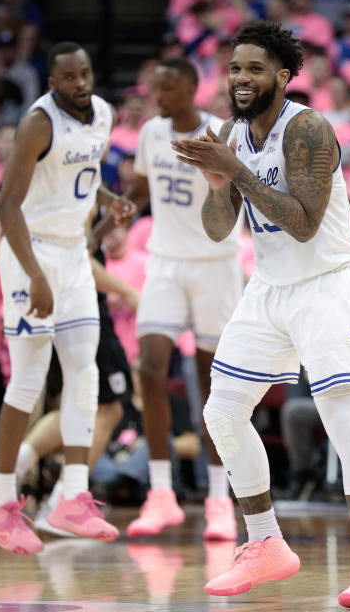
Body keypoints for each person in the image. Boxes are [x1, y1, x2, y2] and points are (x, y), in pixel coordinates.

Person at [171, 21, 350, 610]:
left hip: (326, 285)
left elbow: (303, 223)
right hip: (268, 287)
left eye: (253, 68)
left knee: (343, 423)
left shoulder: (308, 130)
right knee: (221, 414)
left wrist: (238, 172)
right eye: (234, 68)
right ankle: (265, 541)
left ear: (282, 75)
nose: (240, 78)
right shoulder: (231, 133)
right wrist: (220, 183)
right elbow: (220, 228)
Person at [0, 41, 136, 555]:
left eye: (86, 73)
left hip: (72, 254)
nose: (81, 83)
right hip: (32, 252)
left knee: (84, 369)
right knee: (27, 380)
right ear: (52, 83)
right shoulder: (37, 124)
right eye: (69, 77)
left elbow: (79, 180)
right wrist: (33, 274)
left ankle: (73, 494)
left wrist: (110, 199)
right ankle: (0, 503)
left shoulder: (105, 114)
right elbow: (8, 208)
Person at [125, 56, 240, 541]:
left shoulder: (221, 134)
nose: (159, 97)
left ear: (192, 87)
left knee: (211, 383)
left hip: (215, 264)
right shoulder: (152, 133)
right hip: (165, 263)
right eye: (156, 88)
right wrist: (120, 211)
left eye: (168, 88)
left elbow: (235, 202)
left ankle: (218, 499)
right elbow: (143, 187)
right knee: (150, 367)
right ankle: (160, 494)